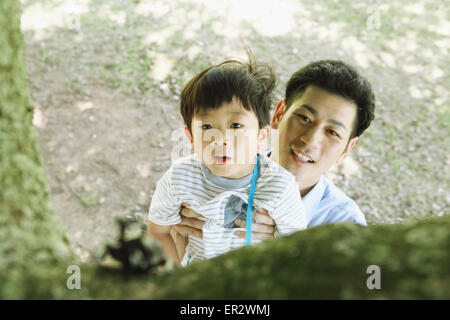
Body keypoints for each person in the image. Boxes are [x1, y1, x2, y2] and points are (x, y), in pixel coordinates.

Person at [172, 60, 376, 254]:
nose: (310, 140)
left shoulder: (346, 224)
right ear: (279, 114)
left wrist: (282, 250)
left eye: (332, 132)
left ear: (347, 149)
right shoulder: (212, 172)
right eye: (304, 118)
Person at [147, 50, 307, 266]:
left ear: (262, 136)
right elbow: (158, 232)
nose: (221, 139)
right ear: (190, 137)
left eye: (236, 126)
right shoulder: (178, 179)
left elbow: (297, 251)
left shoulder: (280, 187)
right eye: (206, 127)